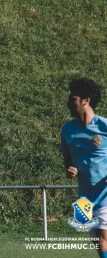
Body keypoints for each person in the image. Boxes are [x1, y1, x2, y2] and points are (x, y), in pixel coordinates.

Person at [60, 78, 107, 257]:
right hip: (85, 195)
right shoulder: (67, 130)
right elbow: (67, 158)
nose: (68, 103)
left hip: (105, 193)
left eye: (72, 99)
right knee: (96, 239)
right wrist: (70, 168)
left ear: (85, 100)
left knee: (103, 240)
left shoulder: (104, 126)